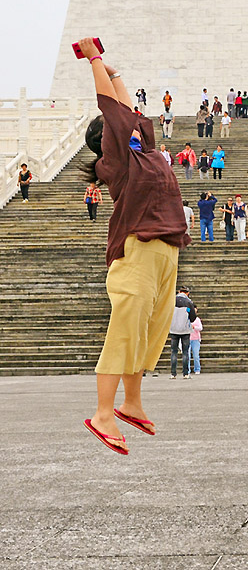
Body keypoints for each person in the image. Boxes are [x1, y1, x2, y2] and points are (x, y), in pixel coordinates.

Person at [77, 37, 190, 455]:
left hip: (167, 250)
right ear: (107, 142)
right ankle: (103, 414)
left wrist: (117, 74)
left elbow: (131, 115)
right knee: (126, 330)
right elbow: (114, 112)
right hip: (136, 252)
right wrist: (95, 60)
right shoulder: (118, 161)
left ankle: (132, 403)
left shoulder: (150, 155)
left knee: (150, 332)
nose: (133, 129)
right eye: (121, 130)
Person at [169, 286, 197, 380]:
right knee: (185, 352)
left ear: (179, 291)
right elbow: (193, 317)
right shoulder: (189, 302)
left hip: (173, 329)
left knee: (174, 352)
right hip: (185, 330)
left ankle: (173, 373)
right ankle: (185, 373)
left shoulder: (172, 301)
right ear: (187, 293)